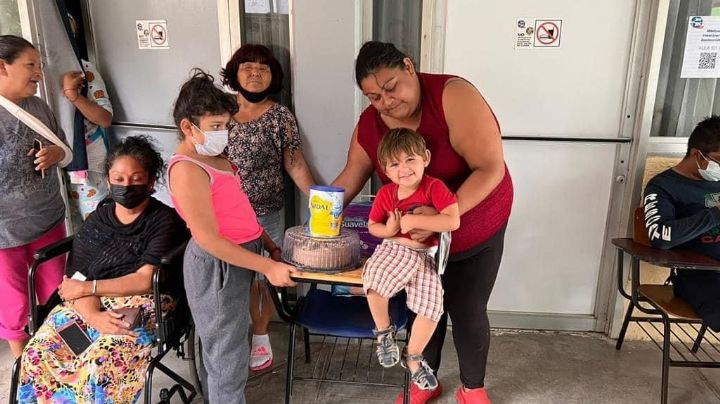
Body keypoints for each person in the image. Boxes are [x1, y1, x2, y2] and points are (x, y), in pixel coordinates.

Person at [332, 41, 513, 404]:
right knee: (424, 305)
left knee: (466, 308)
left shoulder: (452, 96)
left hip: (476, 223)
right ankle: (422, 380)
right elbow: (351, 175)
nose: (386, 102)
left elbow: (490, 168)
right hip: (418, 241)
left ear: (410, 67)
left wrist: (441, 219)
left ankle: (473, 388)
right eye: (373, 96)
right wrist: (320, 217)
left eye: (391, 87)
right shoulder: (370, 124)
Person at [16, 135, 188, 403]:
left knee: (100, 363)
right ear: (108, 180)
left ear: (151, 181)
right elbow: (75, 281)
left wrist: (90, 289)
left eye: (136, 178)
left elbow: (145, 280)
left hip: (140, 306)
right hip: (87, 303)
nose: (126, 186)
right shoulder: (98, 221)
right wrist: (93, 314)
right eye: (118, 179)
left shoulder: (164, 221)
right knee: (39, 352)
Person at [167, 69, 298, 404]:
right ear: (188, 126)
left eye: (225, 125)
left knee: (232, 344)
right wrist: (267, 268)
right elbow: (209, 238)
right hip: (217, 265)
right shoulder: (187, 168)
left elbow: (239, 209)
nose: (223, 133)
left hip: (243, 253)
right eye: (215, 126)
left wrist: (268, 245)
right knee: (227, 354)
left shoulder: (215, 157)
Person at [220, 43, 316, 371]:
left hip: (265, 214)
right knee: (227, 276)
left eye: (264, 67)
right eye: (248, 65)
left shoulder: (280, 116)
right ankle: (228, 338)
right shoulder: (218, 110)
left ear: (273, 75)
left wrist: (322, 202)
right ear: (235, 71)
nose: (255, 72)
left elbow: (295, 163)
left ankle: (260, 336)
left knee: (262, 276)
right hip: (221, 215)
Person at [363, 128, 459, 392]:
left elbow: (453, 219)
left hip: (425, 256)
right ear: (385, 169)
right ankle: (384, 332)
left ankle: (414, 357)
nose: (403, 169)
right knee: (374, 281)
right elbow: (373, 225)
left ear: (425, 158)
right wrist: (389, 230)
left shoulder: (434, 187)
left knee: (432, 306)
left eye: (410, 160)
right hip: (395, 248)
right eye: (395, 163)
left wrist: (416, 220)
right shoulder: (386, 193)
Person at [0, 35, 71, 359]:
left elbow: (67, 152)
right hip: (5, 234)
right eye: (31, 65)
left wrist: (56, 153)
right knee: (14, 305)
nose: (38, 73)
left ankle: (55, 358)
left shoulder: (39, 107)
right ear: (3, 66)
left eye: (39, 66)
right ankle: (25, 370)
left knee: (56, 292)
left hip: (49, 221)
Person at [643, 115, 720, 332]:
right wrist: (715, 214)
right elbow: (660, 237)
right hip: (700, 276)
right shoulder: (664, 187)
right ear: (697, 154)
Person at [62, 12, 114, 230]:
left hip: (89, 163)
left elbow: (105, 118)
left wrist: (74, 96)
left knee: (94, 223)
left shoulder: (83, 71)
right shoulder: (39, 75)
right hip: (57, 163)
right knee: (66, 225)